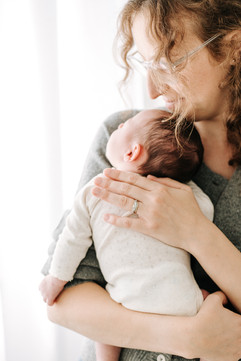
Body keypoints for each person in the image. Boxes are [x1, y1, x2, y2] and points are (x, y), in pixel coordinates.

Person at [42, 1, 241, 360]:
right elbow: (63, 299)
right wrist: (188, 337)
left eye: (167, 63)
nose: (151, 89)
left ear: (232, 49)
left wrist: (195, 232)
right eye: (147, 65)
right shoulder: (127, 139)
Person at [39, 109, 213, 361]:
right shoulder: (176, 194)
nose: (119, 125)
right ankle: (203, 298)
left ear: (132, 152)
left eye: (125, 126)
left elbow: (72, 238)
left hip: (126, 299)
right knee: (206, 305)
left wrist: (56, 278)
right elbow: (205, 212)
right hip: (182, 301)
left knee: (106, 330)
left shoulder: (96, 189)